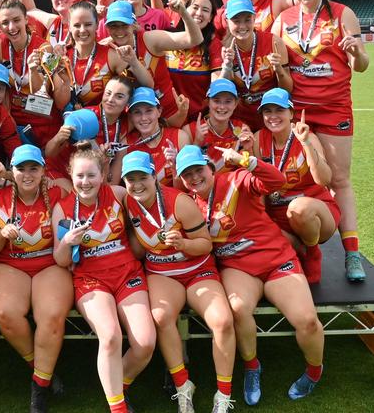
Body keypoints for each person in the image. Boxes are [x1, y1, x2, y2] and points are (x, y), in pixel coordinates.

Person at [175, 144, 325, 406]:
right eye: (187, 174)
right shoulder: (187, 203)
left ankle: (314, 371)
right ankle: (252, 366)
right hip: (237, 266)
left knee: (307, 320)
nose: (194, 177)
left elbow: (277, 181)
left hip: (277, 260)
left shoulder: (235, 179)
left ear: (211, 168)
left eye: (199, 170)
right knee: (238, 308)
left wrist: (246, 160)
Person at [272, 0, 370, 281]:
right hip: (296, 112)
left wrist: (356, 52)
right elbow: (278, 66)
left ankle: (352, 254)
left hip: (333, 109)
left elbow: (362, 65)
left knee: (339, 179)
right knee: (301, 179)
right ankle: (302, 244)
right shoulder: (283, 19)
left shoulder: (343, 14)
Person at [122, 151, 236, 413]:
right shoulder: (127, 201)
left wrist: (184, 243)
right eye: (131, 179)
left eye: (143, 177)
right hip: (161, 272)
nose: (137, 184)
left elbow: (206, 244)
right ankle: (183, 385)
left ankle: (224, 395)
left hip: (197, 269)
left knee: (222, 320)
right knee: (161, 317)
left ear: (154, 176)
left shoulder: (179, 202)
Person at [52, 142, 156, 413]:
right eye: (79, 176)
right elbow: (61, 260)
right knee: (109, 337)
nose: (85, 182)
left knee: (145, 343)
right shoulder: (63, 209)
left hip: (127, 274)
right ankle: (117, 407)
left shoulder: (119, 193)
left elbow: (146, 212)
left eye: (91, 175)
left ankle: (116, 383)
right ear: (70, 175)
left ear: (103, 174)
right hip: (91, 280)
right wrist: (67, 241)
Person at [0, 144, 71, 412]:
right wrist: (1, 235)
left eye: (34, 168)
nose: (28, 174)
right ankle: (42, 370)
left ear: (43, 170)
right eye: (21, 168)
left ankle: (38, 390)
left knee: (52, 315)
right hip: (11, 263)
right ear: (13, 171)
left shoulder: (58, 194)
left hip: (49, 263)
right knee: (6, 313)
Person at [253, 88, 340, 283]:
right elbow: (258, 186)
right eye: (268, 111)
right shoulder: (259, 138)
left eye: (279, 110)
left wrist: (307, 143)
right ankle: (298, 249)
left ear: (291, 113)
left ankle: (312, 252)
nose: (273, 116)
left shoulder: (307, 137)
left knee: (299, 208)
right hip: (279, 216)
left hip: (315, 213)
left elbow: (324, 180)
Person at [103, 0, 201, 126]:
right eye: (113, 26)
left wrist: (183, 13)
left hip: (169, 113)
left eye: (124, 25)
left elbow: (195, 39)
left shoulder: (150, 39)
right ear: (107, 28)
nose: (119, 31)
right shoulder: (108, 49)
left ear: (134, 24)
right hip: (137, 119)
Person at [55, 0, 154, 110]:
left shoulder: (111, 56)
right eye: (77, 25)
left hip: (104, 124)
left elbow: (148, 85)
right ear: (69, 26)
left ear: (97, 24)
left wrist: (134, 62)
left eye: (88, 24)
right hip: (69, 123)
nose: (82, 30)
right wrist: (66, 82)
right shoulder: (62, 57)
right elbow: (60, 105)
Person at [213, 0, 292, 131]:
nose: (242, 26)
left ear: (255, 18)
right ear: (227, 21)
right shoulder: (223, 48)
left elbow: (287, 89)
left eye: (247, 20)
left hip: (270, 116)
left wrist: (279, 69)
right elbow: (220, 92)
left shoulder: (273, 42)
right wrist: (227, 67)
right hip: (239, 119)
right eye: (236, 21)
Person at [0, 0, 64, 148]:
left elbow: (44, 92)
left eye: (16, 20)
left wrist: (33, 71)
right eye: (5, 23)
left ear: (26, 19)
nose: (11, 27)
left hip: (43, 122)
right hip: (14, 122)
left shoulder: (46, 48)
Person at [113, 87, 190, 186]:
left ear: (159, 111)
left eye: (149, 111)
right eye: (137, 112)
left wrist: (175, 167)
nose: (143, 118)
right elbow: (112, 186)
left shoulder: (180, 138)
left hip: (174, 200)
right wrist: (105, 163)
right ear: (131, 116)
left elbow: (187, 188)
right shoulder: (126, 145)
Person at [165, 0, 222, 122]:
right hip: (166, 119)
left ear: (210, 18)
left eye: (205, 10)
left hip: (198, 121)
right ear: (184, 9)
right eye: (195, 7)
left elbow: (217, 83)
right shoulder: (168, 38)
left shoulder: (214, 44)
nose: (199, 13)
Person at [183, 79, 253, 173]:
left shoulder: (241, 129)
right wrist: (197, 142)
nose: (222, 107)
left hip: (231, 186)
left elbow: (250, 173)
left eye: (228, 101)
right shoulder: (190, 130)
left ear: (235, 104)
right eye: (216, 101)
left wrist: (248, 149)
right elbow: (185, 173)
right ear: (208, 102)